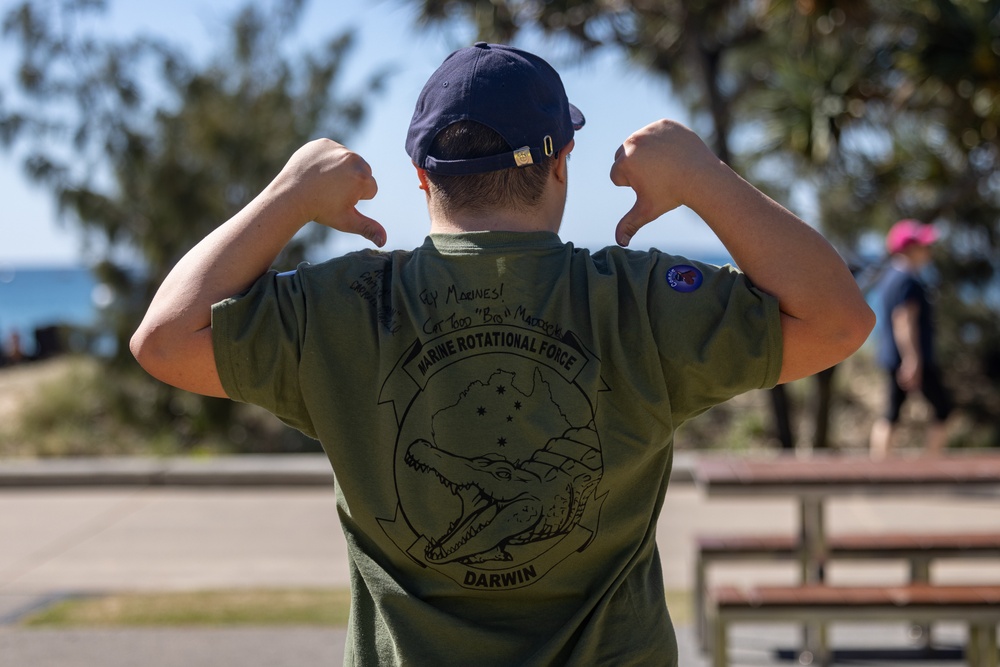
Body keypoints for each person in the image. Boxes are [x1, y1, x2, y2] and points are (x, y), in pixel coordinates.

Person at [131, 43, 873, 667]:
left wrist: (290, 194)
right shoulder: (636, 300)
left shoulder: (341, 305)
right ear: (562, 166)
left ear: (420, 175)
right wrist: (699, 176)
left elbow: (163, 340)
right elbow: (838, 320)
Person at [869, 218, 952, 460]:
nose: (929, 250)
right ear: (908, 248)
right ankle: (930, 465)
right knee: (943, 408)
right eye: (924, 245)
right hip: (912, 359)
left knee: (891, 413)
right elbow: (904, 320)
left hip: (892, 356)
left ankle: (878, 470)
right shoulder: (909, 281)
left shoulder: (889, 278)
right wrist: (912, 360)